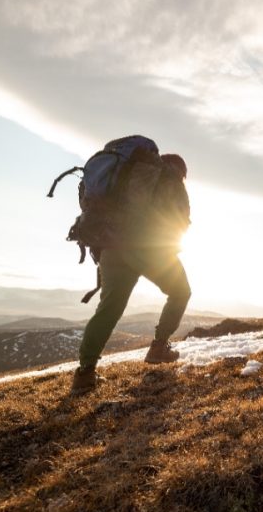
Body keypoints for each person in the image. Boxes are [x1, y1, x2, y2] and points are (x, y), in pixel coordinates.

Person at [71, 153, 192, 394]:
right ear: (180, 171)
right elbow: (180, 221)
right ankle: (159, 348)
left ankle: (85, 373)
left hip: (110, 248)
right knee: (180, 292)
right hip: (148, 248)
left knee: (109, 309)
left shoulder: (124, 176)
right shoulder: (170, 179)